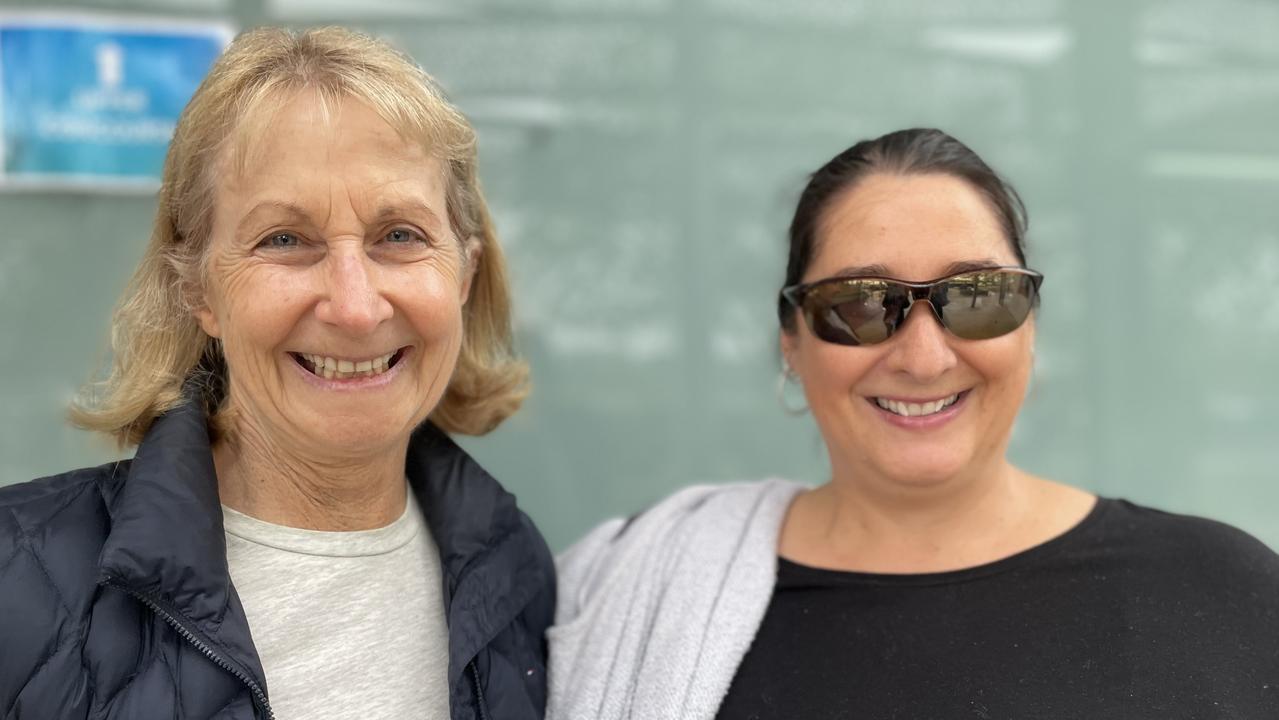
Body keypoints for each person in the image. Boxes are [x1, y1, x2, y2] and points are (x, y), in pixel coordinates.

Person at [546, 128, 1279, 719]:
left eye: (978, 296)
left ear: (1028, 329)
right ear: (792, 342)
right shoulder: (625, 589)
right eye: (860, 304)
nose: (924, 359)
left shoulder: (1226, 596)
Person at [0, 27, 553, 720]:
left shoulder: (517, 577)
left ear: (464, 273)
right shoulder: (17, 578)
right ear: (197, 289)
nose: (354, 307)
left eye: (400, 236)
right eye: (285, 240)